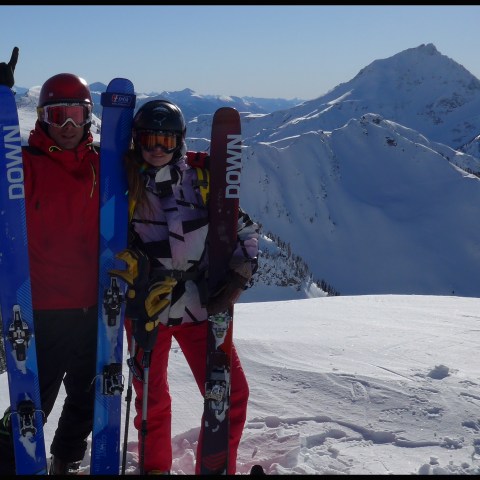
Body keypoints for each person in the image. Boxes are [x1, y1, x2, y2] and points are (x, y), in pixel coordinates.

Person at [111, 99, 259, 474]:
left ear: (178, 141)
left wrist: (241, 271)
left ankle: (216, 466)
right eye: (148, 140)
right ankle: (156, 468)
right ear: (136, 141)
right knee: (152, 402)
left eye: (165, 140)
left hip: (200, 307)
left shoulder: (202, 181)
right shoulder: (124, 186)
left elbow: (243, 229)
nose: (156, 148)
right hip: (147, 310)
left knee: (232, 394)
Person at [0, 47, 100, 475]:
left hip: (95, 308)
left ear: (89, 117)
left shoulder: (104, 166)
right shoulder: (23, 164)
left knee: (88, 394)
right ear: (42, 118)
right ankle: (7, 459)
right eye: (58, 116)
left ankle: (65, 461)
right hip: (41, 305)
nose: (68, 127)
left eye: (76, 115)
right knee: (34, 398)